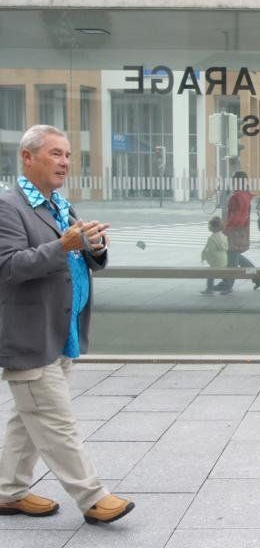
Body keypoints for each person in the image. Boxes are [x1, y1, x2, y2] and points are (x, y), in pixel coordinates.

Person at [0, 124, 135, 524]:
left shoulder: (58, 204)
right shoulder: (9, 207)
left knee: (29, 418)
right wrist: (63, 245)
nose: (65, 162)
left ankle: (7, 491)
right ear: (27, 158)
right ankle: (93, 497)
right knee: (55, 421)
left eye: (68, 155)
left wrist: (95, 246)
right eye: (56, 154)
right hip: (30, 333)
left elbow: (76, 255)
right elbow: (9, 267)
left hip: (62, 330)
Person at [220, 171, 260, 293]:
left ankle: (228, 284)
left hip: (234, 232)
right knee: (235, 256)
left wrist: (226, 229)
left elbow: (237, 216)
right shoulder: (245, 194)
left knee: (232, 259)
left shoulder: (237, 196)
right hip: (241, 231)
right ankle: (256, 275)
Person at [200, 215, 228, 295]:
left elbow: (210, 250)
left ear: (213, 227)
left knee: (210, 274)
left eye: (210, 225)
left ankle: (209, 289)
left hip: (215, 261)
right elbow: (226, 247)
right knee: (223, 274)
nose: (208, 226)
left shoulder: (211, 238)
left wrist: (204, 256)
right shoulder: (224, 236)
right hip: (224, 260)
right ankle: (227, 286)